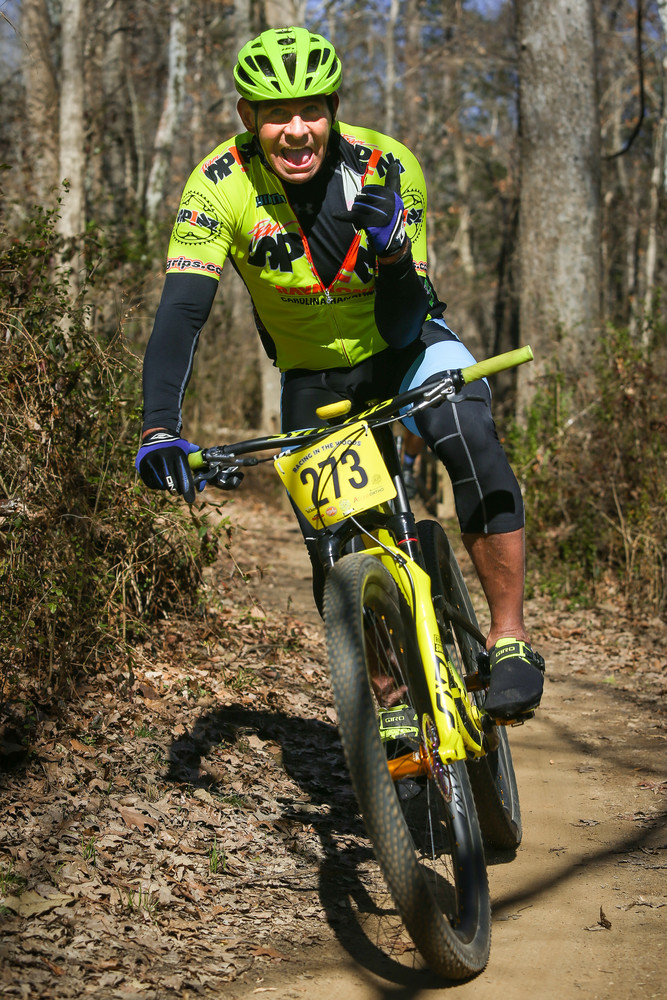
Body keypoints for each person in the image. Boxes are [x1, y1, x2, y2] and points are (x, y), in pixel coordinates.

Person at [135, 26, 544, 722]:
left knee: (470, 435)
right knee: (334, 546)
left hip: (406, 347)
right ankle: (389, 704)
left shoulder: (386, 164)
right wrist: (157, 430)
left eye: (311, 111)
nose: (296, 131)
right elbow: (181, 314)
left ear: (333, 110)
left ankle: (509, 639)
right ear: (247, 117)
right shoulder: (217, 185)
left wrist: (392, 254)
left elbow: (406, 317)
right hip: (313, 375)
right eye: (276, 114)